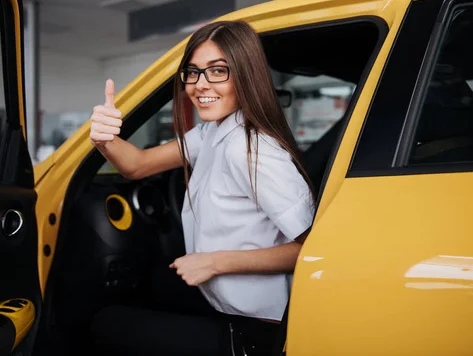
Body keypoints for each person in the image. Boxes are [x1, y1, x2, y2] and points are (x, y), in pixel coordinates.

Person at [89, 20, 315, 355]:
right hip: (220, 300)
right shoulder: (214, 131)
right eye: (192, 72)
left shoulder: (253, 151)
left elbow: (313, 250)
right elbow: (138, 165)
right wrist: (104, 139)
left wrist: (214, 262)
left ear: (245, 74)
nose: (199, 84)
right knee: (149, 285)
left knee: (106, 323)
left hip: (254, 332)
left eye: (217, 71)